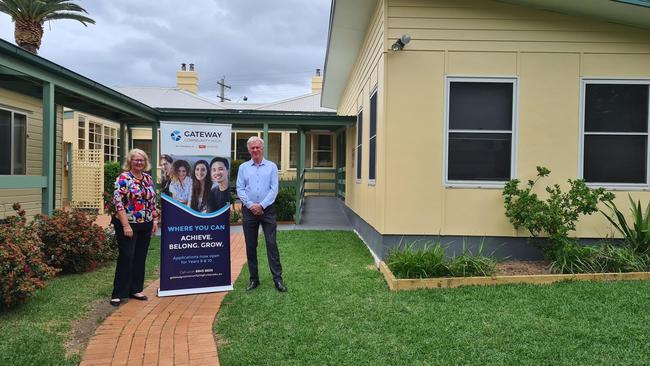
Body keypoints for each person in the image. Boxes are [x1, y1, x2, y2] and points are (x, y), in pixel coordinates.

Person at [236, 136, 287, 292]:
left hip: (268, 210)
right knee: (251, 246)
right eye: (252, 148)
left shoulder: (271, 166)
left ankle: (278, 279)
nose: (255, 150)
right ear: (249, 149)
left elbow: (274, 189)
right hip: (249, 211)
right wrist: (252, 206)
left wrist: (261, 205)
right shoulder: (243, 167)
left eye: (258, 147)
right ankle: (254, 279)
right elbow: (240, 188)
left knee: (271, 244)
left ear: (262, 148)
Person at [110, 148, 158, 306]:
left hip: (146, 223)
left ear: (146, 162)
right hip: (127, 223)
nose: (139, 162)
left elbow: (152, 201)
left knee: (140, 257)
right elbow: (118, 204)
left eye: (142, 160)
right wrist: (125, 225)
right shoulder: (123, 178)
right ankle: (118, 293)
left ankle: (135, 289)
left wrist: (155, 220)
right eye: (136, 160)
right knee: (126, 256)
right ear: (130, 161)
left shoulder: (148, 179)